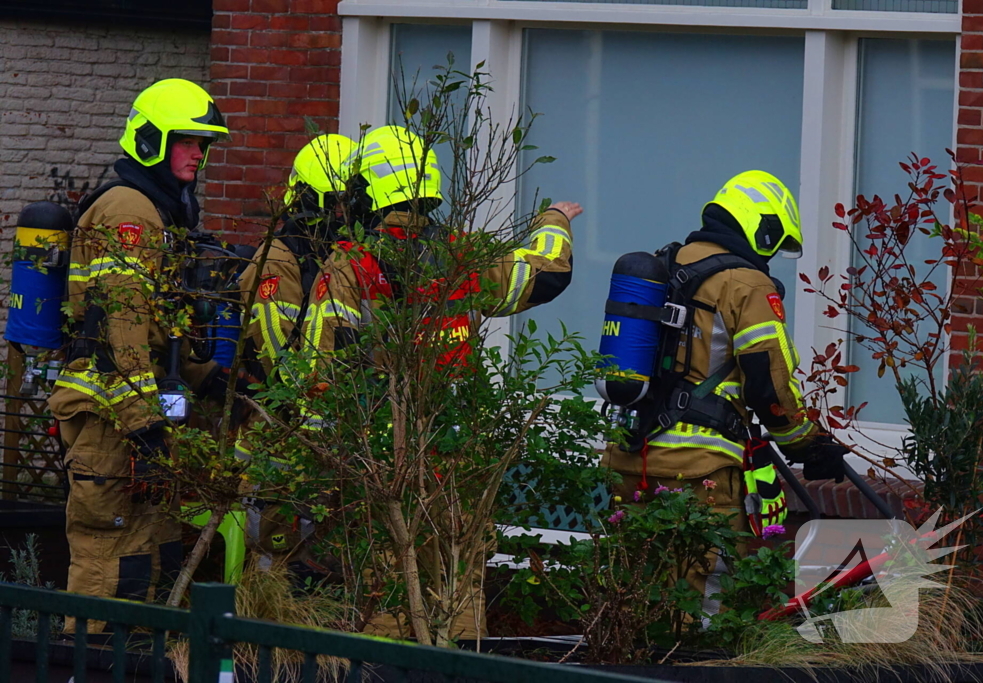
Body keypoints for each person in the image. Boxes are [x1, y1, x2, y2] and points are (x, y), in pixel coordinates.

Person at [304, 124, 583, 640]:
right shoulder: (461, 255)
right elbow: (548, 274)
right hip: (456, 453)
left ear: (367, 187)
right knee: (456, 584)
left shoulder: (350, 263)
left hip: (385, 460)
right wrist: (554, 219)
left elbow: (321, 365)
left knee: (388, 587)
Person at [600, 170, 848, 622]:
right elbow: (768, 380)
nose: (770, 257)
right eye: (773, 244)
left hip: (632, 457)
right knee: (703, 608)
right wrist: (806, 444)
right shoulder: (745, 283)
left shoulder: (667, 264)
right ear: (763, 227)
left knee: (637, 599)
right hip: (701, 471)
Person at [47, 78, 230, 631]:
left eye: (205, 143)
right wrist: (144, 425)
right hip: (113, 425)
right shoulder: (130, 210)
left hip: (136, 420)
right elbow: (121, 331)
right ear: (151, 139)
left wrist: (210, 377)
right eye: (187, 140)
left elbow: (157, 332)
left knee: (153, 557)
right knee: (114, 569)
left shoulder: (160, 212)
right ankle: (93, 665)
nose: (199, 154)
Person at [233, 133, 356, 581]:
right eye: (343, 206)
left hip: (325, 446)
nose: (350, 218)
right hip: (279, 443)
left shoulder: (342, 265)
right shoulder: (277, 264)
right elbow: (276, 362)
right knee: (274, 561)